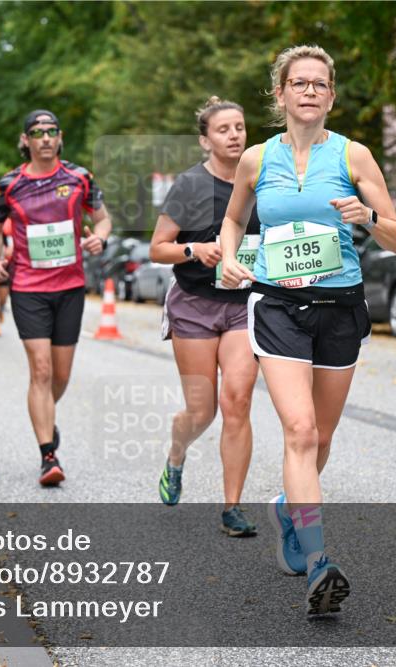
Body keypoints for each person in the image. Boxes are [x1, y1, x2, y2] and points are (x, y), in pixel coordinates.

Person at [219, 45, 396, 615]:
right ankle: (320, 562)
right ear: (280, 95)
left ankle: (286, 509)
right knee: (298, 431)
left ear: (331, 96)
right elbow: (233, 218)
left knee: (319, 439)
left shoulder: (355, 156)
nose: (308, 92)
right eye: (297, 83)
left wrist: (367, 219)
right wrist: (229, 257)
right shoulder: (256, 159)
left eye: (319, 84)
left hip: (340, 307)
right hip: (276, 305)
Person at [150, 97, 261, 538]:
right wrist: (195, 249)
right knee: (203, 411)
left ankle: (232, 507)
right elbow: (158, 248)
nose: (234, 135)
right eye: (223, 129)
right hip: (194, 304)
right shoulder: (191, 185)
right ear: (205, 139)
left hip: (243, 305)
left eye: (239, 126)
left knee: (238, 400)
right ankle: (177, 454)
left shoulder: (261, 180)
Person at [0, 109, 111, 486]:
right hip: (27, 287)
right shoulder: (9, 184)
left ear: (60, 137)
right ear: (26, 140)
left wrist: (99, 237)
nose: (44, 138)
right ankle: (48, 456)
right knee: (39, 370)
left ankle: (46, 421)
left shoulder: (79, 178)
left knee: (60, 374)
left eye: (51, 132)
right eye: (37, 133)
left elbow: (103, 219)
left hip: (70, 287)